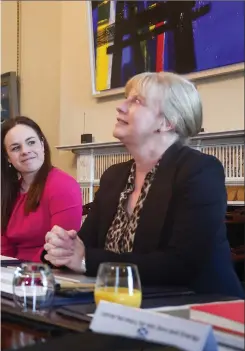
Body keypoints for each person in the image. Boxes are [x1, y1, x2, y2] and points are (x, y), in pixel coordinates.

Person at [43, 72, 244, 297]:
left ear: (167, 122)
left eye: (136, 101)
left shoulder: (200, 171)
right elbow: (85, 244)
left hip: (199, 310)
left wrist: (84, 259)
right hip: (125, 306)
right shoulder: (114, 177)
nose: (120, 107)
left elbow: (181, 264)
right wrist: (63, 247)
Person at [1, 116, 82, 262]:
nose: (25, 151)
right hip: (11, 273)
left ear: (42, 144)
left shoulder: (63, 186)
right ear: (8, 158)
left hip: (48, 273)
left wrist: (24, 273)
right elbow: (3, 246)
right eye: (15, 148)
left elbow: (59, 249)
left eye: (31, 142)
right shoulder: (9, 191)